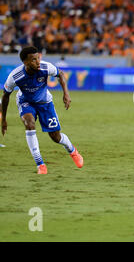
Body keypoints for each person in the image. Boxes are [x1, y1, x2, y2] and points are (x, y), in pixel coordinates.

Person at [1, 46, 83, 174]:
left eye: (38, 58)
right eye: (34, 60)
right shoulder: (15, 76)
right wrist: (4, 120)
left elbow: (60, 74)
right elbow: (5, 96)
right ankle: (40, 165)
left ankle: (72, 151)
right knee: (29, 124)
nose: (38, 62)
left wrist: (66, 93)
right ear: (25, 62)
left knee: (55, 137)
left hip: (45, 102)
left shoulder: (45, 67)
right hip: (26, 102)